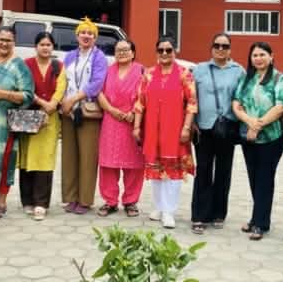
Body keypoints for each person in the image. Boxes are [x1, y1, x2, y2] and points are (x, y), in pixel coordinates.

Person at [134, 36, 197, 229]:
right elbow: (140, 103)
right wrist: (136, 127)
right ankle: (159, 207)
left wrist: (186, 127)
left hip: (175, 130)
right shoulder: (148, 74)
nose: (164, 53)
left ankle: (169, 211)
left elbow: (192, 103)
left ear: (174, 51)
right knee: (155, 168)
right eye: (160, 50)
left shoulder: (184, 74)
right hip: (152, 130)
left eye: (168, 50)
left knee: (173, 171)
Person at [232, 42, 283, 241]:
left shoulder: (279, 79)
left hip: (271, 138)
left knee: (265, 180)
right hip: (248, 137)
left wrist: (258, 125)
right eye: (255, 55)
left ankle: (261, 224)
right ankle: (256, 217)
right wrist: (249, 121)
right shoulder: (246, 79)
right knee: (254, 179)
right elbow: (236, 104)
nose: (258, 58)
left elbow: (281, 106)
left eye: (262, 54)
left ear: (271, 56)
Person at [190, 33, 244, 234]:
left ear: (230, 49)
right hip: (203, 127)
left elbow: (242, 98)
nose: (221, 49)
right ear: (211, 48)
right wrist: (191, 122)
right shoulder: (199, 70)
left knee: (223, 170)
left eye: (225, 46)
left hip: (227, 127)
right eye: (217, 45)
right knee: (203, 170)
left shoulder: (238, 71)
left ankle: (219, 213)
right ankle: (199, 215)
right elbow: (191, 97)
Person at [0, 26, 35, 220]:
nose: (4, 43)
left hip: (5, 124)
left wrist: (2, 94)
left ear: (14, 43)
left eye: (8, 40)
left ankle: (1, 202)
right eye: (1, 39)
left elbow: (28, 95)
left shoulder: (19, 66)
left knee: (4, 160)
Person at [59, 17, 108, 214]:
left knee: (88, 157)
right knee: (69, 155)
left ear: (95, 37)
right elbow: (62, 80)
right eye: (83, 33)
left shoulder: (99, 57)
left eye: (90, 33)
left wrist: (74, 99)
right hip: (68, 111)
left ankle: (85, 200)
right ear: (77, 35)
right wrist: (63, 101)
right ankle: (71, 197)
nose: (86, 36)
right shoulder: (70, 56)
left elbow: (97, 83)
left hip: (87, 111)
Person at [19, 32, 67, 221]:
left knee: (45, 159)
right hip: (30, 116)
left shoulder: (58, 66)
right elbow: (24, 86)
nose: (45, 48)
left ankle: (41, 203)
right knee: (27, 157)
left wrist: (51, 105)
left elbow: (61, 88)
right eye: (42, 44)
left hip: (50, 119)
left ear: (52, 47)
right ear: (35, 46)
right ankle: (27, 200)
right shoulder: (26, 64)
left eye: (48, 44)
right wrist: (41, 103)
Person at [96, 40, 145, 218]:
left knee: (134, 164)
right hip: (111, 120)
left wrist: (133, 112)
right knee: (108, 163)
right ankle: (110, 201)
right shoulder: (108, 71)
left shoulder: (141, 71)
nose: (122, 53)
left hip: (133, 121)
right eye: (118, 50)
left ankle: (130, 201)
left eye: (126, 50)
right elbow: (99, 92)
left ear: (133, 53)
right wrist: (111, 109)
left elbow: (145, 94)